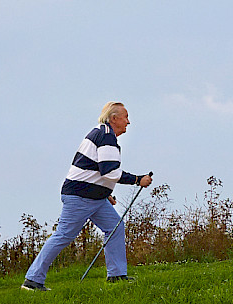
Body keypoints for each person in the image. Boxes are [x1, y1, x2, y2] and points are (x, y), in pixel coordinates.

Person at [22, 102, 154, 291]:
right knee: (64, 235)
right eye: (125, 117)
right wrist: (137, 179)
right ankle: (32, 281)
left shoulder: (103, 134)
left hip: (94, 198)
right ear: (114, 118)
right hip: (80, 196)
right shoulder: (105, 136)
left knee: (114, 227)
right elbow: (109, 170)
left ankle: (116, 276)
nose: (129, 122)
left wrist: (105, 193)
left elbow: (93, 170)